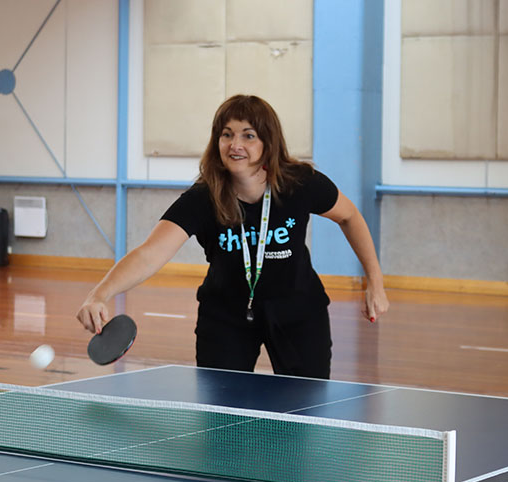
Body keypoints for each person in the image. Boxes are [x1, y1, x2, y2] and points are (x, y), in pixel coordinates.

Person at [77, 94, 388, 379]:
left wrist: (374, 281)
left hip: (298, 312)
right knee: (222, 416)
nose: (234, 144)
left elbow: (350, 216)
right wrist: (99, 294)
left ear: (269, 142)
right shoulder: (203, 197)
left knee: (305, 411)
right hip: (226, 316)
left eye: (248, 135)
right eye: (226, 134)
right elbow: (150, 253)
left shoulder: (301, 184)